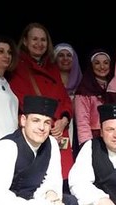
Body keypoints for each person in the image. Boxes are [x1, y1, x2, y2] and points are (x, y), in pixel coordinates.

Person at [10, 22, 74, 180]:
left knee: (59, 178)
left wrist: (64, 120)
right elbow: (21, 100)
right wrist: (49, 122)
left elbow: (64, 98)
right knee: (35, 179)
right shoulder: (17, 66)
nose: (39, 43)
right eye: (35, 39)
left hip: (58, 130)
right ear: (25, 41)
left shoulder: (52, 67)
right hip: (37, 129)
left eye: (43, 40)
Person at [74, 48, 113, 145]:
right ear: (91, 65)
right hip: (94, 138)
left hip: (114, 137)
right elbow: (82, 122)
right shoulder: (84, 90)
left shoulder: (114, 87)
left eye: (105, 63)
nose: (102, 66)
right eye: (97, 63)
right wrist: (87, 146)